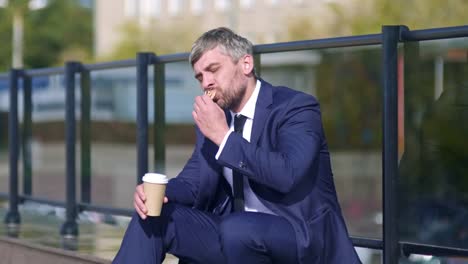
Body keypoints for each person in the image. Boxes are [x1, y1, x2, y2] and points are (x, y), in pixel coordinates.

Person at [113, 27, 361, 264]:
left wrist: (223, 136)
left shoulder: (295, 108)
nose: (206, 83)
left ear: (246, 64)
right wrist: (158, 193)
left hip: (300, 240)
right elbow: (194, 183)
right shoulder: (218, 120)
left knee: (238, 228)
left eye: (213, 70)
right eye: (200, 76)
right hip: (237, 238)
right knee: (152, 216)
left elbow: (288, 174)